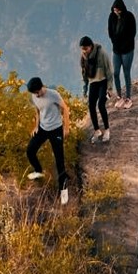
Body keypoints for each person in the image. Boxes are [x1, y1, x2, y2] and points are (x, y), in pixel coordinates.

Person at [25, 76, 70, 205]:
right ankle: (38, 171)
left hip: (56, 129)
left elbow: (65, 109)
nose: (35, 96)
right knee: (30, 150)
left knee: (59, 160)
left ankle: (63, 190)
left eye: (36, 93)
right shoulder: (34, 96)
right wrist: (36, 126)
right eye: (33, 94)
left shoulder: (53, 94)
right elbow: (37, 110)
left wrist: (66, 128)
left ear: (41, 88)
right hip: (43, 129)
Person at [79, 36, 113, 144]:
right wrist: (84, 89)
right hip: (93, 83)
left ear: (91, 46)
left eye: (86, 48)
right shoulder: (83, 57)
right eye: (82, 49)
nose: (84, 51)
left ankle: (107, 130)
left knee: (101, 105)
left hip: (102, 81)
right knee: (91, 106)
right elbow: (84, 74)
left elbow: (108, 70)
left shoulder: (101, 53)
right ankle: (97, 130)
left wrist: (110, 87)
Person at [107, 0, 137, 110]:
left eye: (118, 10)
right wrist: (115, 42)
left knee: (126, 72)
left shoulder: (129, 17)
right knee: (115, 73)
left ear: (122, 9)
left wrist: (124, 44)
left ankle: (128, 98)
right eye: (115, 10)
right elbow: (110, 31)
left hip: (127, 50)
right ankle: (119, 96)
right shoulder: (111, 17)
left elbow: (132, 33)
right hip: (116, 50)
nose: (116, 12)